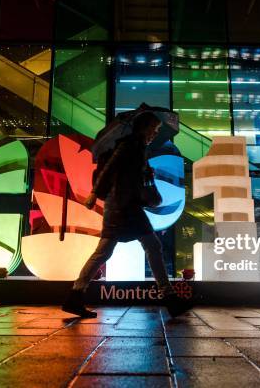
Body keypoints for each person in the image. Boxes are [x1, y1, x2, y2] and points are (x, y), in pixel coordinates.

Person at [62, 111, 192, 318]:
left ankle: (75, 296)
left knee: (112, 251)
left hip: (124, 205)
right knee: (146, 247)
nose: (155, 134)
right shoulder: (130, 144)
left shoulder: (138, 147)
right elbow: (110, 168)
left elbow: (129, 174)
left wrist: (145, 173)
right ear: (145, 128)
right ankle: (170, 298)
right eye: (154, 129)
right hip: (123, 207)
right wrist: (94, 194)